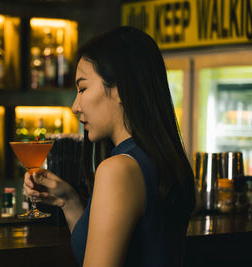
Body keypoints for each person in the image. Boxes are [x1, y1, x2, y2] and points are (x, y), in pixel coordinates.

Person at [23, 26, 195, 267]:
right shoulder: (158, 159)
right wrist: (68, 201)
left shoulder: (118, 169)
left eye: (83, 88)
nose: (75, 106)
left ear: (122, 89)